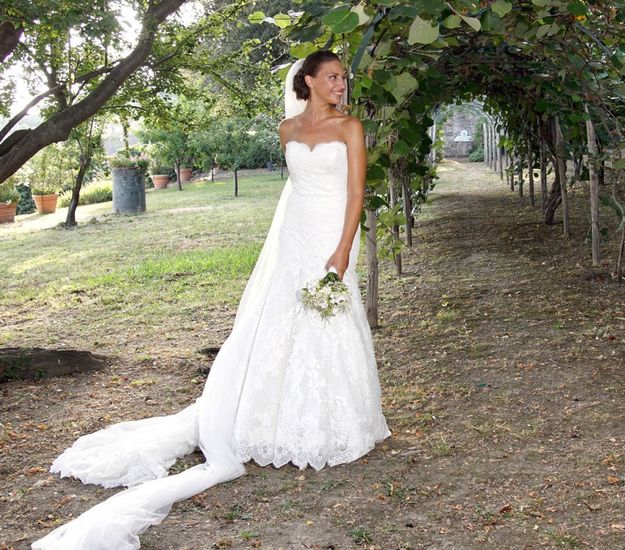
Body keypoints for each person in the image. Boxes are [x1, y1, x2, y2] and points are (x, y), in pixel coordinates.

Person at [33, 50, 390, 549]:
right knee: (279, 323)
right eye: (332, 77)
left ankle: (337, 422)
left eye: (343, 78)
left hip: (331, 237)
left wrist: (343, 248)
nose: (341, 85)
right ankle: (269, 418)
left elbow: (354, 194)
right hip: (293, 238)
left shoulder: (349, 128)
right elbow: (293, 192)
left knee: (331, 322)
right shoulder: (288, 131)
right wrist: (288, 245)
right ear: (307, 81)